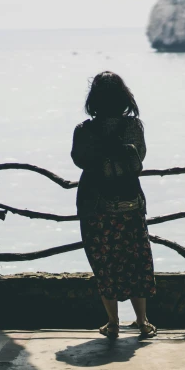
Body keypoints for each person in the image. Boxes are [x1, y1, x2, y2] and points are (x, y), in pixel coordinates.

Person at [71, 71, 157, 339]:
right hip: (130, 204)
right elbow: (139, 158)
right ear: (124, 97)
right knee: (136, 260)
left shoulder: (84, 131)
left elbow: (79, 160)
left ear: (93, 99)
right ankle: (142, 322)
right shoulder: (134, 127)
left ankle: (113, 323)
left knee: (104, 261)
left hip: (95, 205)